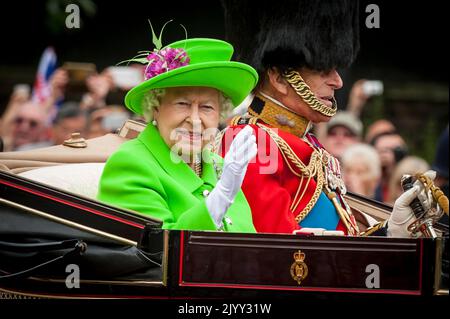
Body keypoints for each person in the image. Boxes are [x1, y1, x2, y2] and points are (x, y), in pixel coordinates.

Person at [220, 0, 432, 237]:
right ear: (279, 78)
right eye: (323, 71)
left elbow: (341, 235)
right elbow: (281, 250)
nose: (338, 82)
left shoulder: (304, 142)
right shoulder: (251, 142)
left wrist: (392, 231)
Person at [97, 36, 258, 232]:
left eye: (207, 107)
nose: (195, 120)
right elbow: (160, 251)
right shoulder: (130, 163)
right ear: (155, 106)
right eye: (182, 104)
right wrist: (221, 197)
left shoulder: (222, 167)